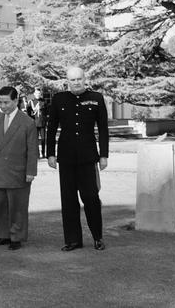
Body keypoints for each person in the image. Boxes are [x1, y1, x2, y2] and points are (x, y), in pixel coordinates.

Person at [46, 67, 109, 252]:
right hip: (65, 157)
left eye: (79, 79)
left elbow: (103, 129)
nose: (76, 82)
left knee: (91, 198)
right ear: (67, 81)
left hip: (88, 157)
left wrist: (104, 155)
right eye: (72, 79)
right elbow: (51, 128)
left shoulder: (96, 98)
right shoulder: (59, 99)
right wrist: (50, 153)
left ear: (84, 79)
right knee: (68, 200)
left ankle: (98, 237)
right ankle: (73, 240)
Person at [0, 86, 38, 251]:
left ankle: (16, 237)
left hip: (18, 171)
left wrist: (31, 171)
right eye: (0, 102)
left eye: (6, 102)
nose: (3, 105)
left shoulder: (27, 122)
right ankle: (3, 235)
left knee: (17, 207)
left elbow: (32, 150)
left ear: (16, 101)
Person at [26, 88, 47, 158]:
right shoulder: (31, 102)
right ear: (34, 94)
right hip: (34, 123)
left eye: (39, 93)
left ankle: (43, 153)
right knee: (35, 139)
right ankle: (37, 154)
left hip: (42, 123)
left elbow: (46, 112)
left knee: (43, 139)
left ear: (40, 94)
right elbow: (28, 113)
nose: (38, 95)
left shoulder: (44, 101)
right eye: (36, 93)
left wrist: (46, 120)